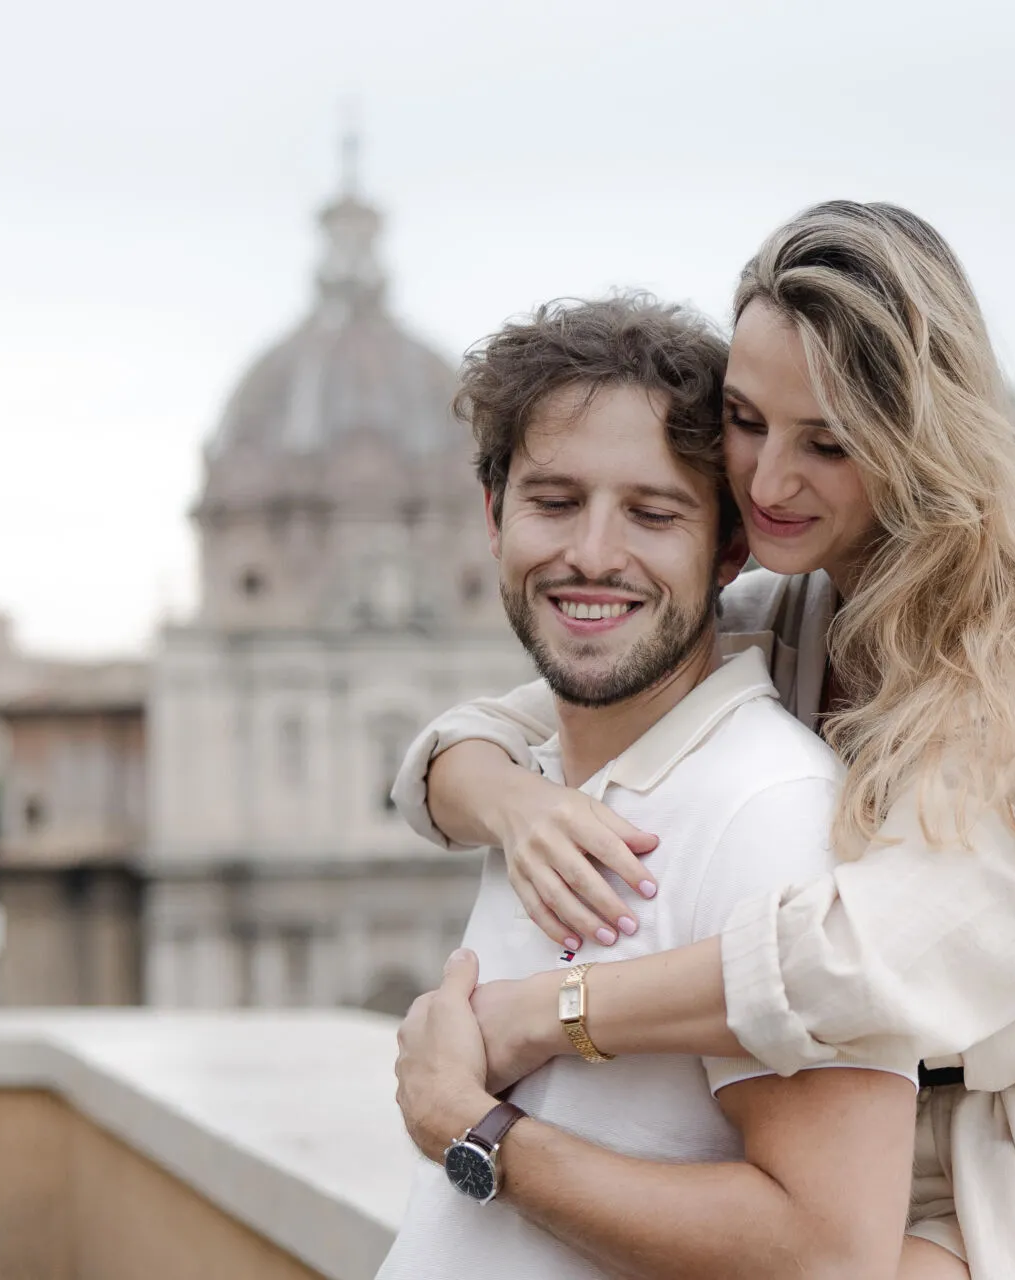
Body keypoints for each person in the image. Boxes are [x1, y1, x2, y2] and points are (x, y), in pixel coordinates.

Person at [393, 201, 1015, 1278]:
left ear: (915, 439)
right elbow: (501, 722)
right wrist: (518, 804)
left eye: (826, 442)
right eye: (744, 418)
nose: (766, 480)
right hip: (866, 1143)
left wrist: (542, 1015)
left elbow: (839, 961)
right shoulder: (795, 606)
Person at [376, 293, 918, 1280]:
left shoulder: (766, 806)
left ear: (727, 548)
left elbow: (832, 1251)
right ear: (494, 518)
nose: (591, 553)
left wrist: (471, 1126)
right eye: (553, 500)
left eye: (651, 512)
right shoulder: (542, 780)